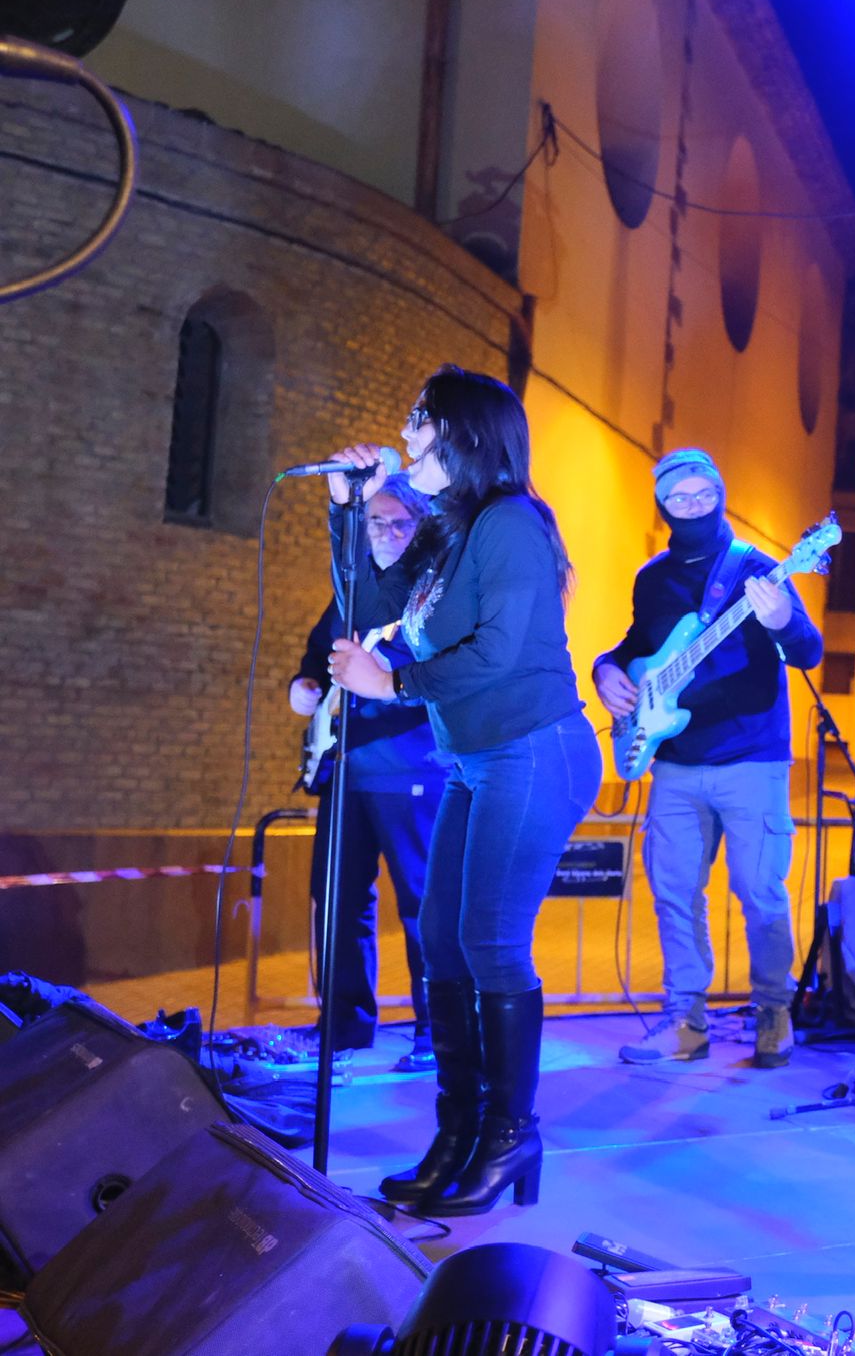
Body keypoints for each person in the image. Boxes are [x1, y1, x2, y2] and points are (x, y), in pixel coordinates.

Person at [323, 365, 601, 1217]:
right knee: (441, 940)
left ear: (465, 433)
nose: (406, 432)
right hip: (477, 758)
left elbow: (498, 651)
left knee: (490, 942)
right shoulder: (449, 529)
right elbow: (369, 601)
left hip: (535, 750)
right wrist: (345, 509)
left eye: (421, 418)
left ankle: (512, 1136)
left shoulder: (512, 522)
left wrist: (392, 685)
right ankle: (461, 1131)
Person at [591, 448, 823, 1068]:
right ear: (662, 505)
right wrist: (605, 668)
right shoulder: (652, 578)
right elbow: (637, 645)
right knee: (674, 893)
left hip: (751, 759)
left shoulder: (759, 568)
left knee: (760, 892)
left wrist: (783, 621)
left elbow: (808, 651)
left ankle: (773, 1011)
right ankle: (684, 1022)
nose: (693, 506)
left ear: (721, 495)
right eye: (680, 497)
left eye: (704, 494)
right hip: (674, 760)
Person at [289, 478, 446, 1071]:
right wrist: (304, 684)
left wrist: (381, 681)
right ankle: (344, 1026)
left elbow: (446, 676)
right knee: (336, 898)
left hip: (410, 767)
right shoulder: (351, 589)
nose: (385, 533)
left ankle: (437, 1033)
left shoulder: (435, 593)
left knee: (422, 903)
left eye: (399, 522)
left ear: (421, 528)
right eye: (375, 522)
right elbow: (319, 654)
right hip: (344, 766)